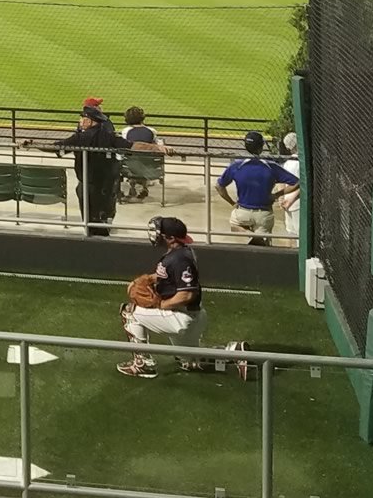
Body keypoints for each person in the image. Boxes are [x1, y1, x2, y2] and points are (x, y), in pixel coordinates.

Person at [120, 217, 206, 378]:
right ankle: (234, 353)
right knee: (190, 361)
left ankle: (143, 364)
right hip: (192, 315)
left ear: (171, 238)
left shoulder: (180, 259)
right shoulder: (181, 252)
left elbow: (187, 294)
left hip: (181, 317)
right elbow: (168, 274)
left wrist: (161, 304)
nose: (155, 235)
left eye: (159, 233)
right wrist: (148, 279)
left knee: (129, 312)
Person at [216, 131, 299, 247]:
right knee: (264, 246)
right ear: (261, 148)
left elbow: (219, 186)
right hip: (264, 215)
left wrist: (232, 203)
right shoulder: (271, 166)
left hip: (242, 212)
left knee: (234, 225)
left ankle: (253, 236)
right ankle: (260, 241)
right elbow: (297, 182)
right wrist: (276, 195)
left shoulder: (236, 166)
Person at [53, 99, 122, 237]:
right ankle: (102, 228)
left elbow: (58, 146)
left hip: (89, 180)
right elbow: (129, 146)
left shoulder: (81, 136)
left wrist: (32, 144)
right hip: (104, 179)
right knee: (102, 210)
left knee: (90, 212)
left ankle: (93, 231)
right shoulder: (107, 130)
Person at [121, 105, 167, 202]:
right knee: (144, 158)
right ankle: (143, 187)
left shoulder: (125, 131)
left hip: (130, 165)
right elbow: (158, 145)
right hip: (150, 166)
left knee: (131, 159)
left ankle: (133, 188)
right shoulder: (152, 131)